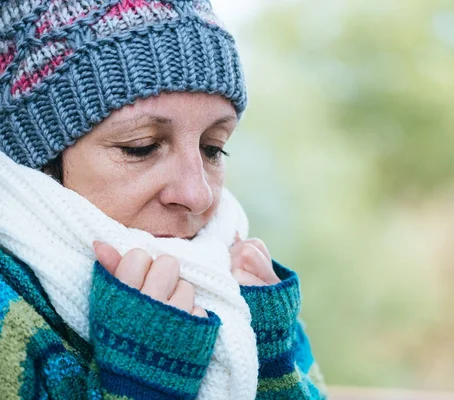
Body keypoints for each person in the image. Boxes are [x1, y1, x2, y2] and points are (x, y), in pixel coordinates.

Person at [0, 0, 327, 399]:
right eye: (141, 147)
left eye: (213, 148)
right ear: (35, 163)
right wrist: (141, 383)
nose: (197, 195)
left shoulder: (233, 290)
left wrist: (273, 369)